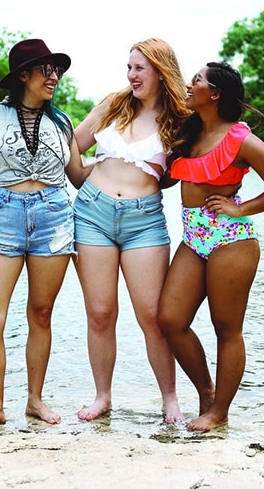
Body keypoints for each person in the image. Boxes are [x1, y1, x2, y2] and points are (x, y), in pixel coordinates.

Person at [0, 38, 88, 431]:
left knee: (40, 314)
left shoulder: (62, 122)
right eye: (46, 70)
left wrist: (125, 165)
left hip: (54, 217)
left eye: (56, 70)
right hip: (2, 216)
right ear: (23, 76)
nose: (54, 76)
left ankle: (34, 400)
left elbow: (77, 176)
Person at [158, 62, 264, 432]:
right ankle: (207, 394)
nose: (190, 84)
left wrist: (240, 207)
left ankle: (220, 413)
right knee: (170, 319)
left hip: (231, 240)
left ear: (215, 94)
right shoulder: (190, 133)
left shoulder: (241, 140)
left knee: (226, 328)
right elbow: (174, 180)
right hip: (194, 237)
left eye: (197, 80)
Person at [72, 38, 189, 423]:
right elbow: (73, 144)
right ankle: (102, 396)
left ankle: (170, 399)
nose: (131, 75)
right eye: (129, 67)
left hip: (145, 223)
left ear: (159, 70)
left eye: (139, 68)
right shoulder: (112, 105)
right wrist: (83, 178)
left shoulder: (181, 122)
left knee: (152, 316)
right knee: (101, 313)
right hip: (92, 215)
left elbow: (187, 170)